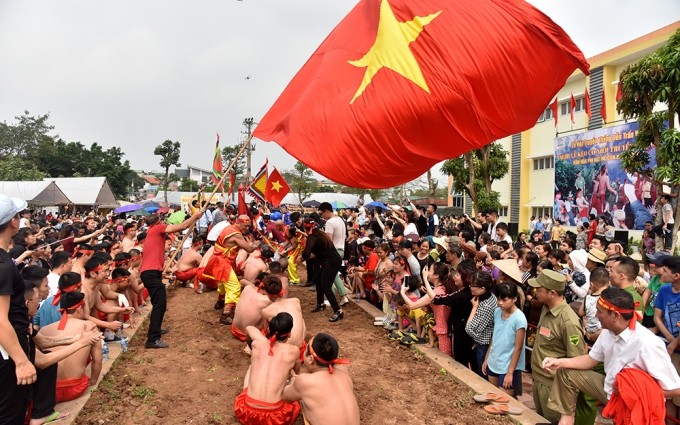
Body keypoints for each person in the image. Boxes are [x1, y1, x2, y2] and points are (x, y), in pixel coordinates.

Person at [542, 287, 680, 425]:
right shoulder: (607, 332)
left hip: (634, 405)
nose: (595, 315)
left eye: (599, 311)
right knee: (566, 371)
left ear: (615, 316)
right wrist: (558, 362)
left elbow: (675, 389)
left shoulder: (648, 344)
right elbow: (591, 360)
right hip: (609, 389)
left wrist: (631, 392)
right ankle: (566, 421)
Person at [140, 210, 204, 349]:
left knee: (160, 304)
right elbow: (182, 226)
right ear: (157, 222)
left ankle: (156, 330)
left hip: (151, 272)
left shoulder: (152, 232)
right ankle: (152, 339)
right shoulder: (157, 228)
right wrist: (195, 216)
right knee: (160, 304)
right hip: (150, 273)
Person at [529, 269, 586, 423]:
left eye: (539, 290)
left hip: (554, 386)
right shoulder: (546, 308)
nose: (535, 293)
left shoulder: (569, 322)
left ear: (552, 293)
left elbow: (577, 359)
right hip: (538, 379)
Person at [0, 194, 37, 424]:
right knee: (10, 414)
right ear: (14, 222)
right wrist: (21, 361)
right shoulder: (3, 266)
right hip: (6, 353)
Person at [234, 313, 301, 425]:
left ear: (269, 329)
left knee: (252, 365)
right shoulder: (293, 351)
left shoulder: (257, 344)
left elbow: (249, 328)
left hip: (247, 412)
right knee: (295, 379)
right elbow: (296, 371)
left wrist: (251, 348)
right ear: (289, 334)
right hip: (275, 417)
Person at [38, 291, 103, 402]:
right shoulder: (89, 326)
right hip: (75, 388)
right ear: (79, 309)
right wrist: (92, 383)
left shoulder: (43, 330)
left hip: (50, 391)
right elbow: (98, 359)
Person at [283, 333, 359, 425]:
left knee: (304, 400)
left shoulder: (304, 381)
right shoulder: (343, 370)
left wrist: (293, 382)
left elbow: (285, 396)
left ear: (311, 359)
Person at [201, 215, 259, 326]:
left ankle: (220, 302)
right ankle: (225, 315)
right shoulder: (236, 234)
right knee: (234, 287)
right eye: (245, 226)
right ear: (239, 223)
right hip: (223, 262)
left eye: (248, 226)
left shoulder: (229, 228)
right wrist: (255, 244)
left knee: (224, 283)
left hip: (221, 260)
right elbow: (249, 249)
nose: (247, 229)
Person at [482, 282, 527, 397]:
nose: (500, 303)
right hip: (494, 361)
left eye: (504, 300)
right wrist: (487, 358)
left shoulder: (519, 319)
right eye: (499, 299)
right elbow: (494, 337)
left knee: (505, 401)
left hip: (508, 366)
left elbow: (518, 348)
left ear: (514, 299)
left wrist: (510, 373)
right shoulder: (497, 312)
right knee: (493, 397)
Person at [299, 217, 344, 322]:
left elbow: (306, 253)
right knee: (318, 280)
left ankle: (338, 310)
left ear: (305, 227)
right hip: (328, 261)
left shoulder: (313, 236)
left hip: (331, 262)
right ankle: (320, 303)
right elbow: (317, 252)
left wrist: (300, 259)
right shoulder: (319, 233)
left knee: (325, 286)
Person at [231, 274, 280, 342]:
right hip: (248, 334)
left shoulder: (248, 288)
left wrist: (253, 285)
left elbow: (242, 281)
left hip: (234, 329)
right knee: (272, 316)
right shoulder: (268, 301)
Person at [318, 202, 350, 306]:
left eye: (322, 213)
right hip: (341, 249)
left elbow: (328, 241)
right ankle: (342, 296)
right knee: (334, 274)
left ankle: (341, 295)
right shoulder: (340, 220)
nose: (322, 216)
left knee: (330, 275)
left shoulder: (330, 223)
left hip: (333, 250)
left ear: (326, 211)